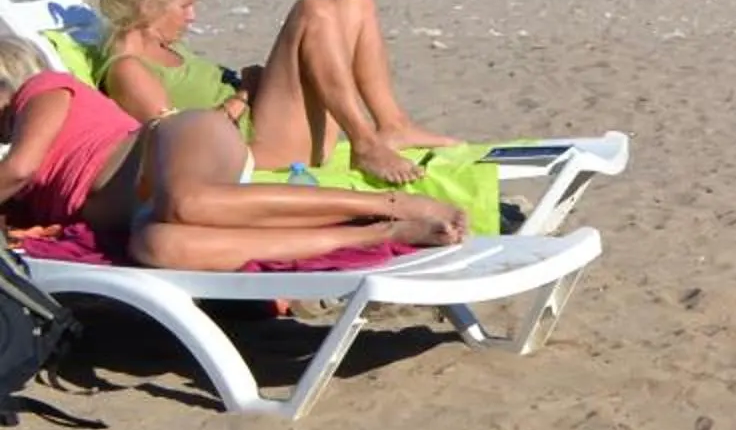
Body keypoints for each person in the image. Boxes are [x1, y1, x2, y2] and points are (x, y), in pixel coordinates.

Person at [1, 36, 462, 269]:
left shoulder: (41, 91)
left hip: (177, 141)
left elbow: (20, 169)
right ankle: (373, 233)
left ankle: (390, 203)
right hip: (149, 206)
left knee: (189, 202)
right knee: (159, 246)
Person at [90, 0, 457, 187]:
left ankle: (393, 125)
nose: (193, 16)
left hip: (266, 118)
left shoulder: (161, 43)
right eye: (184, 7)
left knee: (353, 1)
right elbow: (179, 143)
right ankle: (365, 143)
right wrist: (243, 96)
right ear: (146, 5)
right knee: (312, 9)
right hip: (259, 147)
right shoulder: (128, 72)